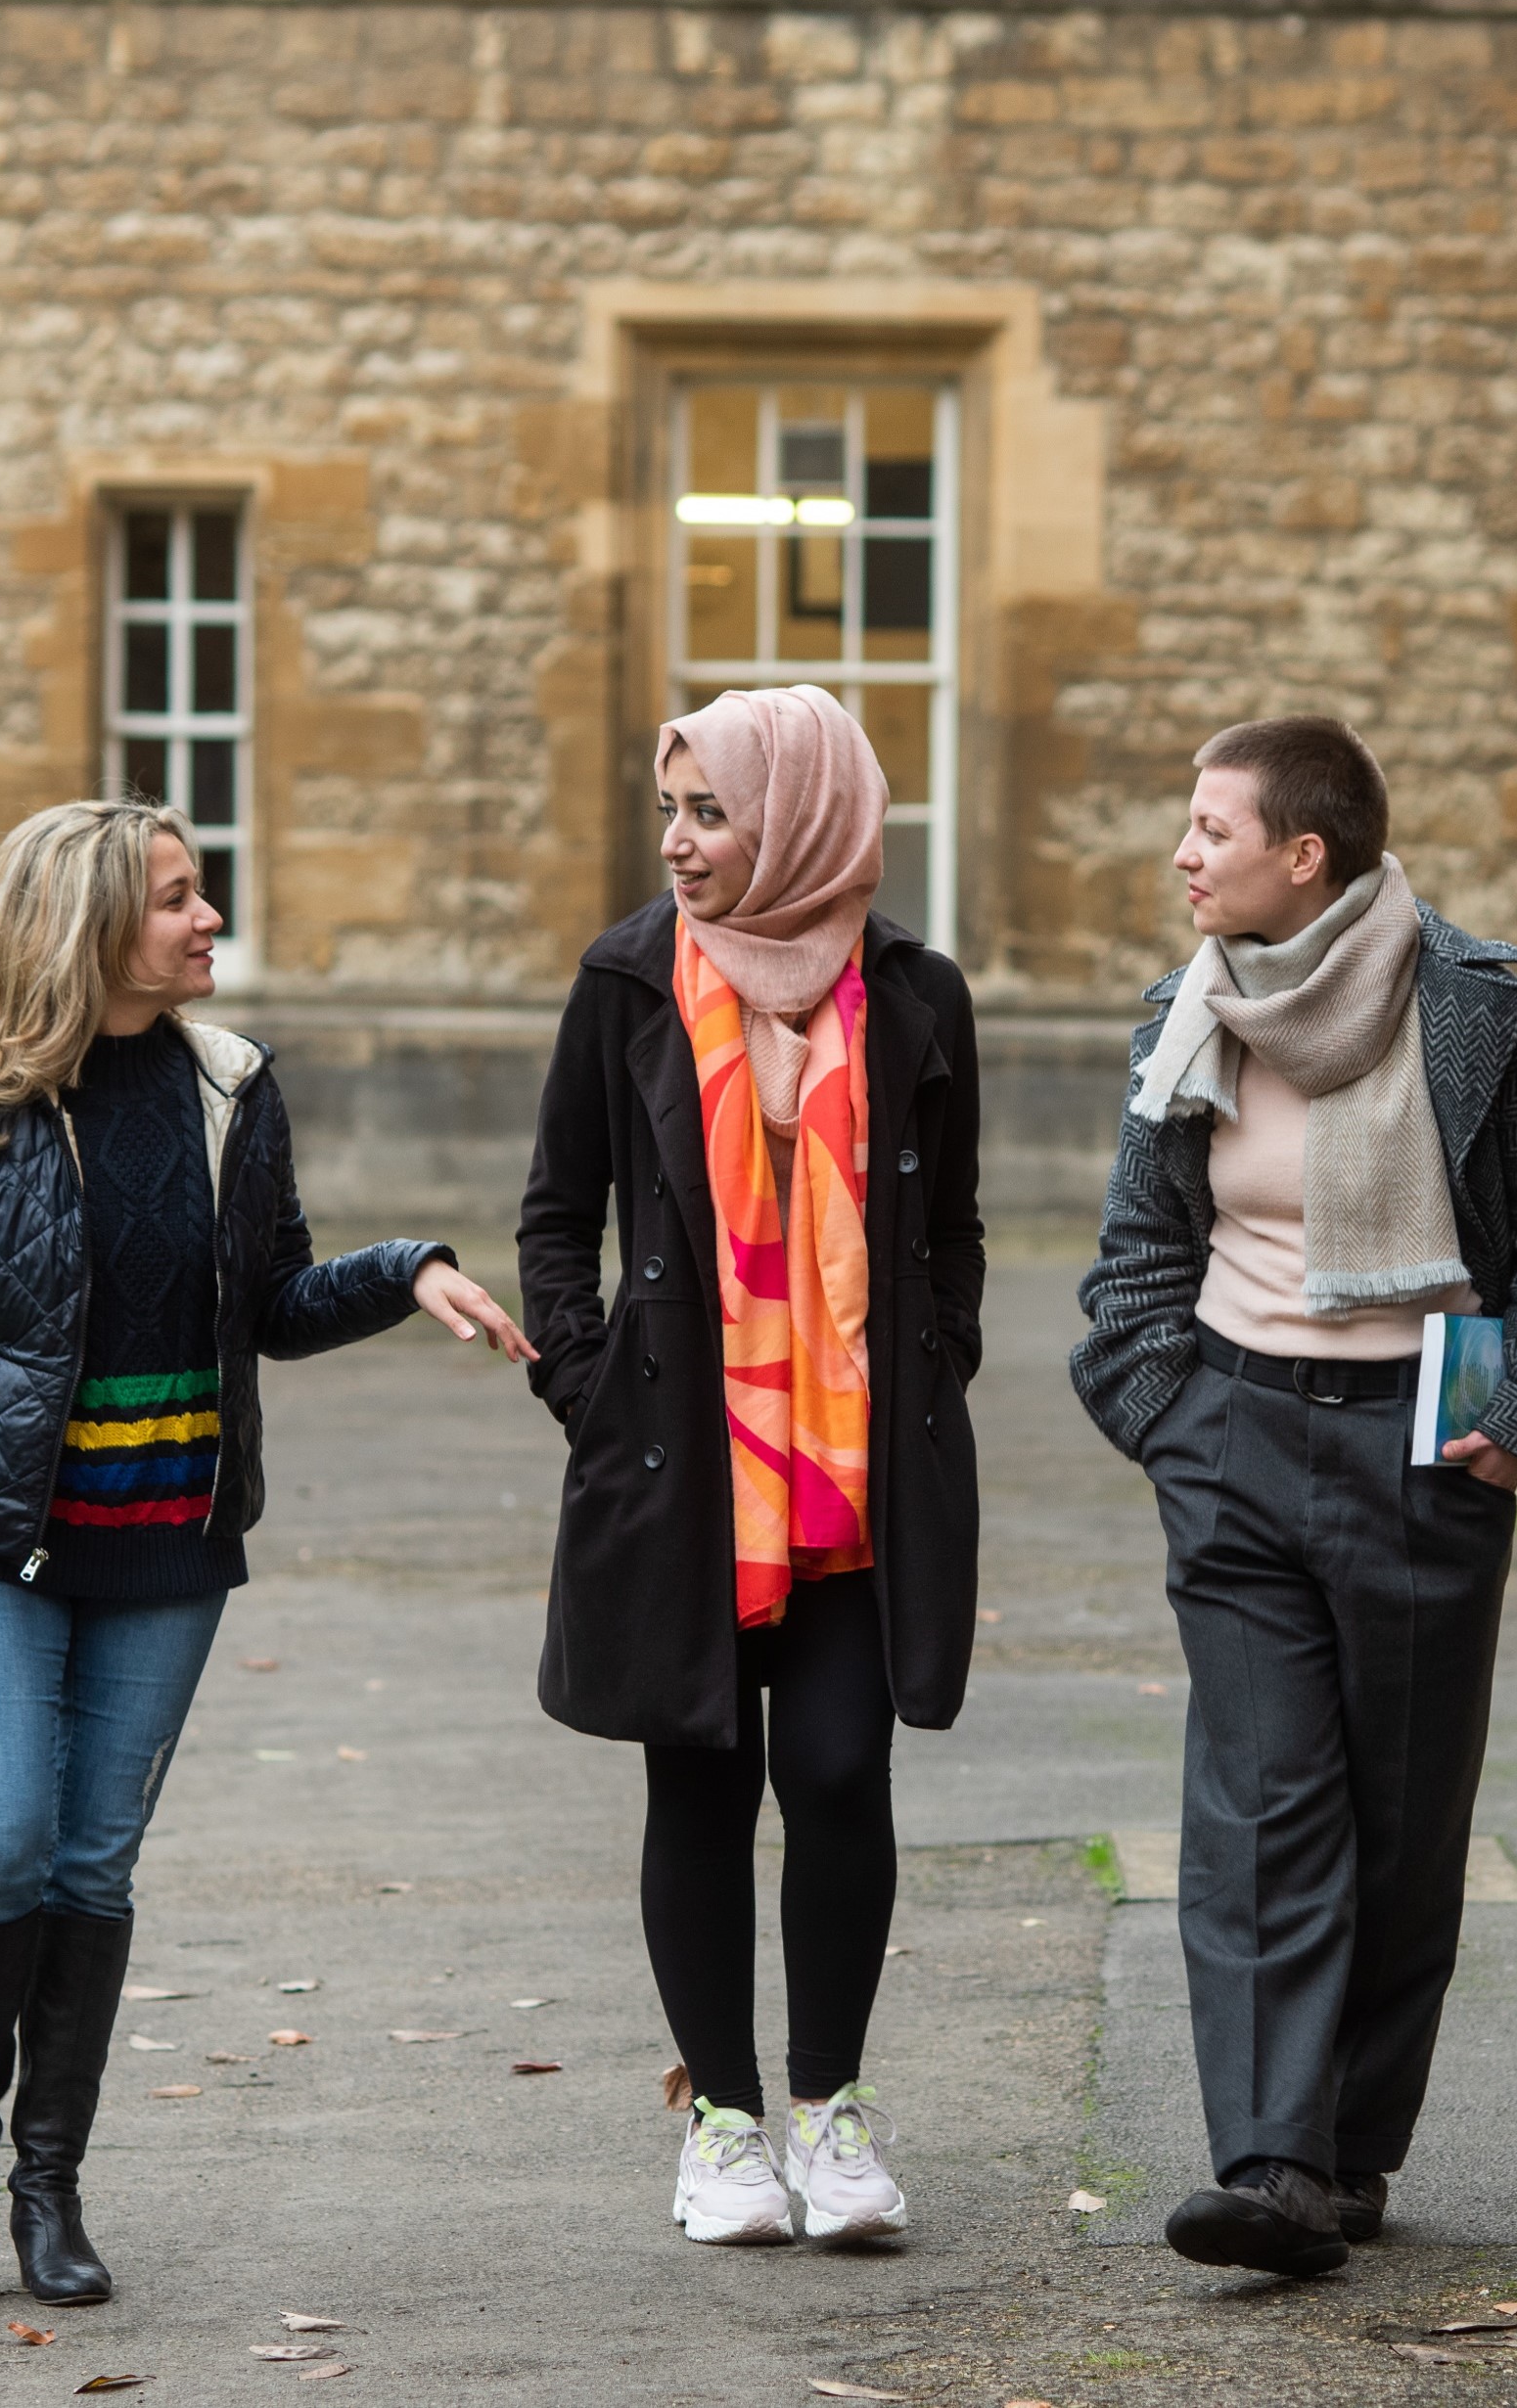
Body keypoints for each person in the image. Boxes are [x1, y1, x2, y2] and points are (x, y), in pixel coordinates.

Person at [0, 795, 530, 2305]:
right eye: (179, 898)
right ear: (96, 925)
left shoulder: (232, 1090)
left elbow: (278, 1302)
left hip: (167, 1548)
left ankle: (49, 2188)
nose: (210, 919)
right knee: (6, 1845)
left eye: (203, 895)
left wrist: (409, 1271)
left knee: (95, 1869)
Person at [1071, 716, 1517, 2277]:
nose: (1183, 853)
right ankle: (1271, 2162)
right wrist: (1169, 1416)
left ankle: (1353, 2147)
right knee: (1257, 1806)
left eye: (1211, 830)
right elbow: (1141, 1249)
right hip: (1233, 1433)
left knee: (1402, 1815)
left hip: (1422, 1448)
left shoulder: (1480, 1014)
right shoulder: (1189, 1009)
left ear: (1303, 856)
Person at [517, 686, 985, 2249]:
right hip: (686, 1463)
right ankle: (721, 2124)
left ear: (799, 816)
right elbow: (552, 1216)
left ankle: (829, 2111)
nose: (681, 843)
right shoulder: (628, 979)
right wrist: (594, 1393)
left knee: (843, 1770)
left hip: (859, 1474)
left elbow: (958, 1229)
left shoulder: (916, 993)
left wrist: (933, 1366)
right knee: (701, 1781)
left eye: (711, 812)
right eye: (673, 812)